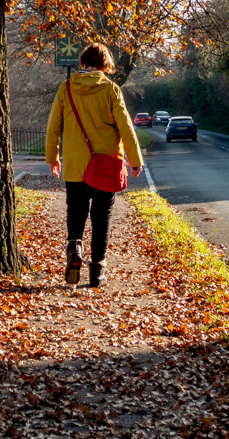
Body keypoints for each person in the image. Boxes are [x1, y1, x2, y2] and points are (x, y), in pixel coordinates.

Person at [45, 43, 144, 287]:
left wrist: (52, 157)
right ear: (105, 65)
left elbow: (53, 126)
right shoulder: (111, 89)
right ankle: (97, 270)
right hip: (106, 165)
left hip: (76, 164)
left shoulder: (66, 88)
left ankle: (74, 249)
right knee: (102, 216)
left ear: (83, 62)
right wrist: (134, 160)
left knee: (75, 211)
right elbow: (125, 127)